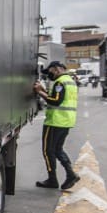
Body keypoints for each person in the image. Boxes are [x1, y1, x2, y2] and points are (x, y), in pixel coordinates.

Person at [33, 60, 80, 190]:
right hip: (66, 121)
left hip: (55, 122)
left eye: (51, 71)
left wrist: (39, 92)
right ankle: (70, 174)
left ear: (57, 69)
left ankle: (52, 179)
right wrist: (43, 90)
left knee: (48, 151)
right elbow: (58, 97)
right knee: (58, 149)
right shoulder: (70, 81)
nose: (50, 74)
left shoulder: (60, 82)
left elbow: (55, 101)